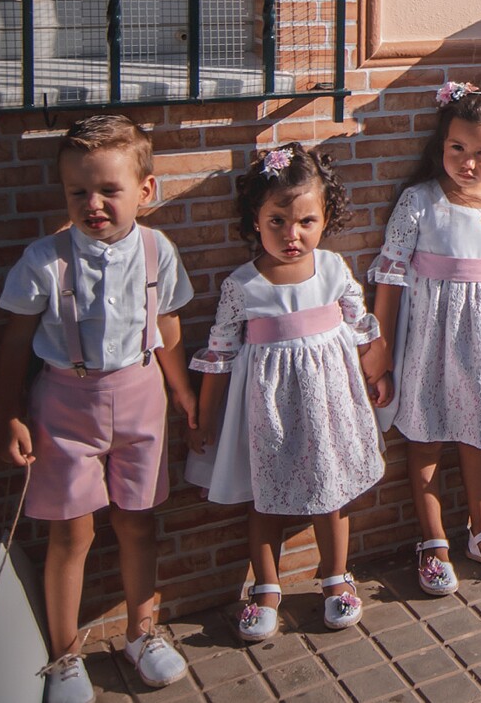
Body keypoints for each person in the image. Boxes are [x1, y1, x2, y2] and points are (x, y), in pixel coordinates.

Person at [0, 115, 197, 703]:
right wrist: (9, 413)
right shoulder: (45, 260)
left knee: (137, 522)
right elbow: (13, 343)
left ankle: (142, 632)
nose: (94, 204)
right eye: (78, 192)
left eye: (109, 190)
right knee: (70, 535)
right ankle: (63, 656)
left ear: (145, 190)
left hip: (141, 397)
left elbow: (168, 326)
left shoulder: (159, 251)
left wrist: (183, 393)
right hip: (64, 404)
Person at [186, 144, 384, 641]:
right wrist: (205, 415)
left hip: (327, 402)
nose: (291, 235)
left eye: (305, 222)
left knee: (330, 490)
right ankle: (267, 587)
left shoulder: (334, 270)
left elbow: (362, 327)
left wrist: (378, 375)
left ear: (325, 219)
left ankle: (336, 576)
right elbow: (220, 353)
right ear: (256, 219)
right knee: (266, 496)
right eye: (277, 221)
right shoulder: (243, 285)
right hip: (267, 408)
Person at [361, 82, 481, 594]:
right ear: (441, 145)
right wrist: (379, 346)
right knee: (424, 437)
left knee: (479, 432)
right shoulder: (419, 202)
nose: (468, 162)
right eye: (457, 149)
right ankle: (433, 540)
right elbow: (391, 274)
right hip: (427, 338)